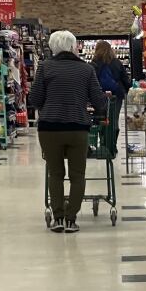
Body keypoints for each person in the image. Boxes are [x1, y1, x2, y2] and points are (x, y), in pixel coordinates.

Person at [29, 30, 107, 233]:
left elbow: (35, 99)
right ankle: (72, 218)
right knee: (77, 175)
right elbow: (99, 102)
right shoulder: (86, 69)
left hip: (49, 129)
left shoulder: (44, 67)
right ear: (73, 47)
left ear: (53, 47)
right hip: (77, 128)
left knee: (55, 174)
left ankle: (58, 218)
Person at [91, 40, 131, 132]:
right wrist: (127, 90)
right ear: (110, 49)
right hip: (116, 95)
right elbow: (125, 79)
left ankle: (103, 143)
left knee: (101, 120)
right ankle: (112, 144)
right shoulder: (116, 62)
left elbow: (91, 82)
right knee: (114, 120)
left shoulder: (94, 63)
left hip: (100, 95)